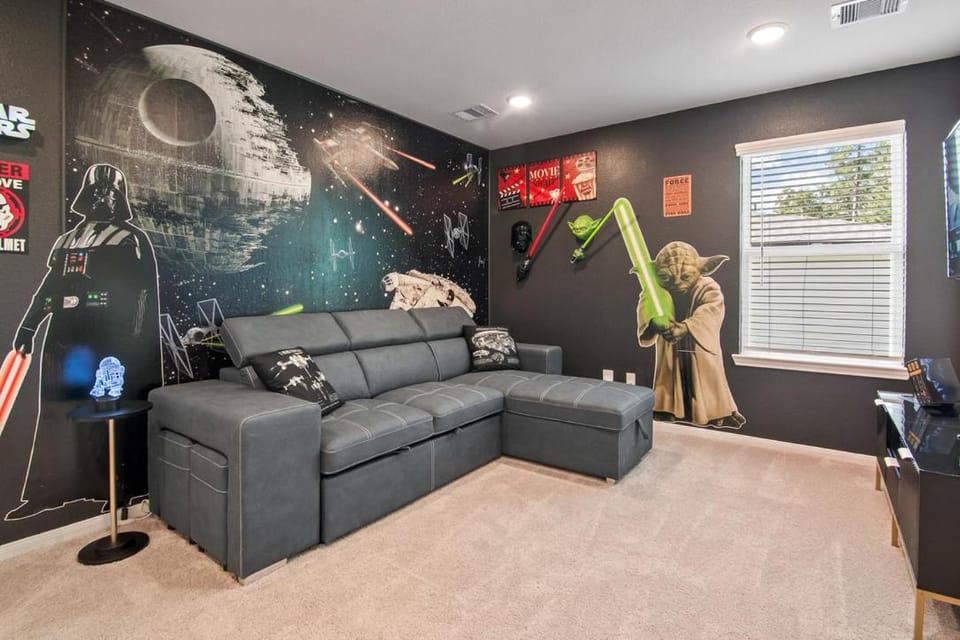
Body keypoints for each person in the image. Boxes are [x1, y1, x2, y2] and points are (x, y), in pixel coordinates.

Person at [6, 164, 161, 519]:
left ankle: (123, 486)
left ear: (120, 198)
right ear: (86, 195)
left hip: (111, 337)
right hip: (65, 336)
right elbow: (50, 287)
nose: (103, 198)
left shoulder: (129, 238)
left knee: (113, 408)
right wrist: (28, 327)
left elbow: (141, 294)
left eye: (110, 193)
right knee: (59, 406)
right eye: (97, 191)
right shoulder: (68, 240)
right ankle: (50, 489)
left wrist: (133, 341)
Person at [637, 241, 745, 430]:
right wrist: (655, 321)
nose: (677, 283)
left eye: (686, 276)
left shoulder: (708, 286)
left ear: (703, 269)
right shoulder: (656, 290)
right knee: (669, 371)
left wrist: (686, 327)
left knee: (707, 373)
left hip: (698, 341)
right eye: (666, 277)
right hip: (670, 344)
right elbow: (647, 303)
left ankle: (716, 411)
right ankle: (667, 408)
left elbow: (711, 309)